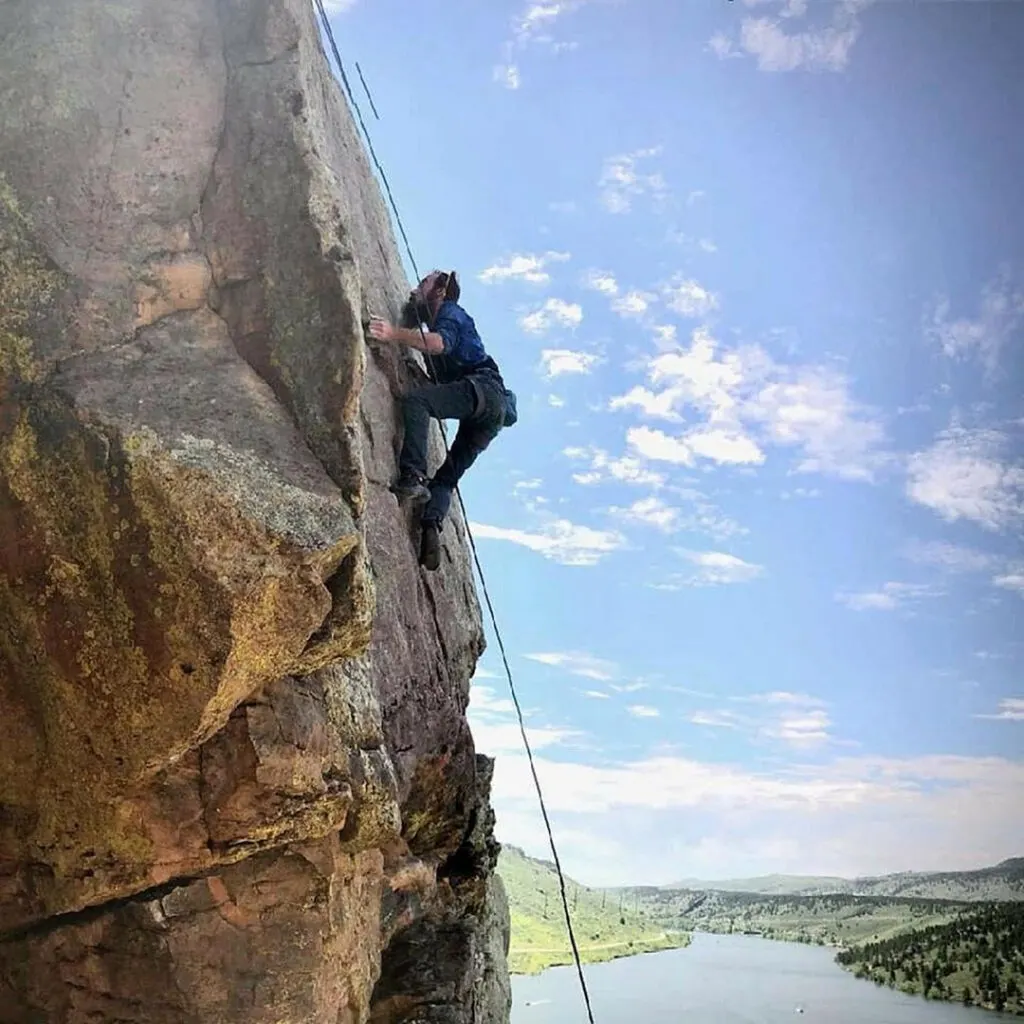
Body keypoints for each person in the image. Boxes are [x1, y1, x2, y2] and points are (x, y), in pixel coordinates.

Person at [367, 270, 517, 571]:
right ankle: (431, 526)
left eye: (424, 283)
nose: (416, 287)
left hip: (482, 391)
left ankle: (414, 476)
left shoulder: (450, 312)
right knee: (447, 479)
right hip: (490, 414)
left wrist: (392, 334)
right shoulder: (437, 314)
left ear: (440, 290)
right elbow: (421, 321)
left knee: (417, 401)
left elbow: (437, 344)